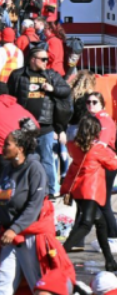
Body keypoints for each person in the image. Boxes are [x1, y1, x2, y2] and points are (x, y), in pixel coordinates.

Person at [61, 117, 117, 272]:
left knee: (100, 223)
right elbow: (114, 164)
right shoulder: (97, 149)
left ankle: (110, 261)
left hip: (78, 189)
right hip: (91, 190)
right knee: (86, 223)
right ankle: (59, 254)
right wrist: (111, 152)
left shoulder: (73, 146)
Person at [7, 48, 71, 198]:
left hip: (45, 127)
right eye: (43, 59)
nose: (46, 62)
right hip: (23, 127)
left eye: (47, 59)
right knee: (23, 160)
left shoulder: (51, 75)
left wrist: (52, 88)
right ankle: (25, 191)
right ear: (33, 59)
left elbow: (66, 90)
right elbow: (10, 96)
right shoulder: (18, 75)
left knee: (46, 160)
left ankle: (50, 192)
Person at [0, 123, 48, 295]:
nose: (3, 147)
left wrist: (15, 229)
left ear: (20, 149)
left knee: (37, 283)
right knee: (3, 284)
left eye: (7, 144)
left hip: (30, 237)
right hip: (9, 237)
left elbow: (34, 206)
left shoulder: (35, 170)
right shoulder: (6, 170)